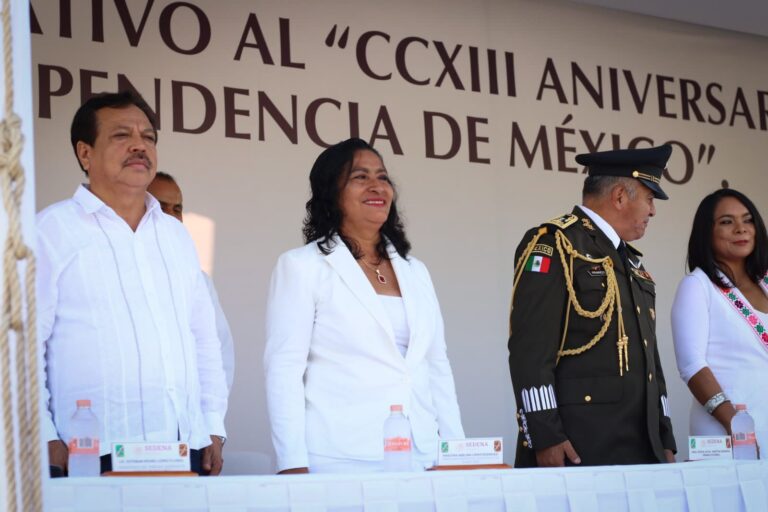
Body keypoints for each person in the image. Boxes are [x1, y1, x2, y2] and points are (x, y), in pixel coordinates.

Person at [38, 91, 228, 476]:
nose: (140, 145)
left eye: (149, 136)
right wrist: (43, 435)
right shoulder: (50, 231)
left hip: (181, 449)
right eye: (122, 135)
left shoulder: (175, 237)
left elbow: (203, 339)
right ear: (85, 153)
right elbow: (18, 348)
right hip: (88, 452)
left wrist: (212, 425)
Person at [264, 138, 464, 474]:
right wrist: (291, 463)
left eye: (383, 177)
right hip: (339, 459)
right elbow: (284, 369)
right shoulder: (302, 266)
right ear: (332, 192)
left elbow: (437, 367)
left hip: (423, 456)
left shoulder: (416, 271)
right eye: (360, 177)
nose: (377, 186)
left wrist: (457, 451)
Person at [508, 145, 677, 467]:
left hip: (642, 446)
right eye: (650, 198)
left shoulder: (630, 261)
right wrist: (546, 435)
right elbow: (530, 350)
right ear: (619, 197)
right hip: (580, 444)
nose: (652, 211)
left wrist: (663, 435)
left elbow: (650, 359)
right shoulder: (556, 243)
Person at [671, 189, 768, 448]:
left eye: (748, 220)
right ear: (707, 232)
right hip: (729, 433)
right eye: (727, 222)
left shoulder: (765, 282)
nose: (741, 229)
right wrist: (735, 425)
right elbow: (692, 366)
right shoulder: (697, 286)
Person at [148, 172, 236, 392]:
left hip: (186, 418)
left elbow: (218, 351)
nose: (170, 215)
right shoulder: (111, 268)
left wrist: (211, 417)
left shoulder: (196, 278)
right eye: (160, 206)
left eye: (177, 209)